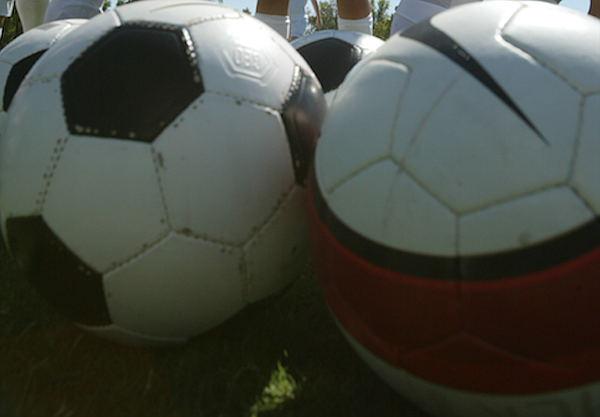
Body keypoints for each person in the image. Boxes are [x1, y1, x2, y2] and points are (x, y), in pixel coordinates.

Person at [255, 0, 372, 39]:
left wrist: (318, 17)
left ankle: (360, 66)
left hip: (298, 19)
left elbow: (314, 2)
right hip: (286, 17)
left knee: (293, 45)